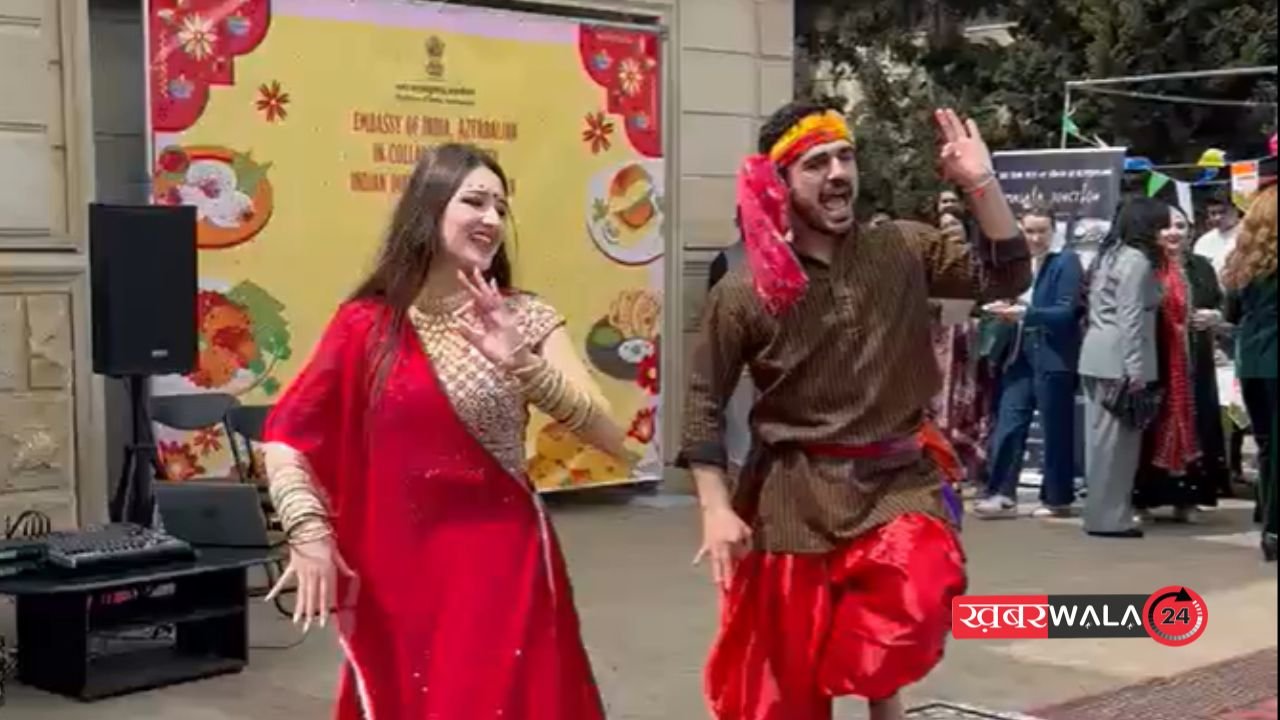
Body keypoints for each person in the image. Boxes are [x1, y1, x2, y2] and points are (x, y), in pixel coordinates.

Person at [679, 98, 1031, 720]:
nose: (838, 173)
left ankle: (879, 696)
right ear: (780, 181)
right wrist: (716, 510)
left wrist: (981, 183)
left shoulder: (903, 247)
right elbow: (703, 401)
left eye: (845, 156)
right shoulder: (742, 290)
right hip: (793, 499)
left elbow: (1005, 279)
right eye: (816, 164)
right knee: (786, 687)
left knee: (911, 601)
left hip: (898, 483)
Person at [259, 144, 628, 719]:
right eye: (474, 201)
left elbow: (612, 438)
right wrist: (309, 533)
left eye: (501, 208)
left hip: (503, 563)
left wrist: (524, 365)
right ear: (429, 208)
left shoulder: (525, 316)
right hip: (396, 571)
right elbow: (285, 438)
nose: (492, 219)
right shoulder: (366, 325)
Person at [977, 202, 1084, 519]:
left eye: (1042, 231)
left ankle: (1057, 497)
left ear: (1054, 230)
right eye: (1029, 231)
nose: (1035, 238)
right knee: (1009, 424)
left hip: (1053, 355)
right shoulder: (1017, 264)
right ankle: (1001, 493)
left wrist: (1027, 313)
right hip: (1018, 353)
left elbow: (1067, 311)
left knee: (1056, 429)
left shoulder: (1066, 261)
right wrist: (1001, 308)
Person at [1078, 198, 1166, 539]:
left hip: (1095, 353)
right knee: (1118, 447)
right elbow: (1130, 317)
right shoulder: (1136, 261)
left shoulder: (1108, 256)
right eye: (1159, 225)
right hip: (1120, 360)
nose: (1162, 233)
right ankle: (1111, 519)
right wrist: (1136, 369)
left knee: (1099, 444)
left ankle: (1099, 514)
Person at [1133, 205, 1222, 522]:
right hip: (1157, 359)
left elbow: (1222, 305)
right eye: (1166, 226)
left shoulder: (1201, 267)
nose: (1174, 233)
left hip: (1193, 361)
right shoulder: (1144, 266)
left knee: (1197, 424)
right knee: (1150, 426)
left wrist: (1214, 316)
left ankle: (1188, 500)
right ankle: (1142, 499)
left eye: (1181, 226)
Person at [1222, 184, 1278, 563]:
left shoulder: (1244, 264)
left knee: (1266, 446)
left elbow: (1231, 315)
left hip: (1252, 362)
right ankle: (1273, 526)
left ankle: (1269, 523)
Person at [1195, 192, 1241, 275]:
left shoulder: (1249, 234)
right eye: (1213, 213)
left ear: (1235, 210)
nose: (1217, 217)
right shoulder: (1204, 242)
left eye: (1222, 212)